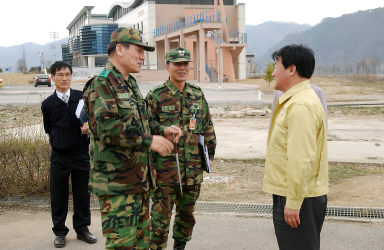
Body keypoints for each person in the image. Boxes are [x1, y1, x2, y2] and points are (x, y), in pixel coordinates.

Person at [83, 27, 181, 249]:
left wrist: (161, 130)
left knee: (141, 245)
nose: (142, 57)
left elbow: (140, 123)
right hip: (117, 186)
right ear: (119, 49)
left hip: (138, 183)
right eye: (138, 51)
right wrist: (150, 141)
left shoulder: (129, 83)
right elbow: (106, 128)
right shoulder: (102, 83)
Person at [146, 47, 217, 250]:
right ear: (167, 66)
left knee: (187, 215)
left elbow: (207, 126)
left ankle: (180, 246)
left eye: (185, 64)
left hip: (192, 169)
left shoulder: (196, 94)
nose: (182, 68)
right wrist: (150, 164)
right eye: (177, 64)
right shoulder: (156, 96)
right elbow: (146, 129)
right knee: (160, 217)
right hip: (165, 170)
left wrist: (210, 154)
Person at [263, 44, 328, 250]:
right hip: (294, 192)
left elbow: (301, 158)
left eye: (277, 66)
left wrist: (293, 202)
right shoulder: (294, 100)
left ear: (291, 69)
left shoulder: (301, 105)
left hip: (299, 196)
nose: (273, 72)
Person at [41, 61, 97, 248]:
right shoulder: (48, 104)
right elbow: (49, 129)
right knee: (59, 196)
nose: (64, 78)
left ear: (71, 76)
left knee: (82, 194)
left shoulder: (81, 98)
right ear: (52, 77)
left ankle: (82, 229)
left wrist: (88, 128)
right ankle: (60, 232)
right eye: (60, 75)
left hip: (81, 155)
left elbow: (92, 120)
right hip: (59, 157)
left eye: (67, 74)